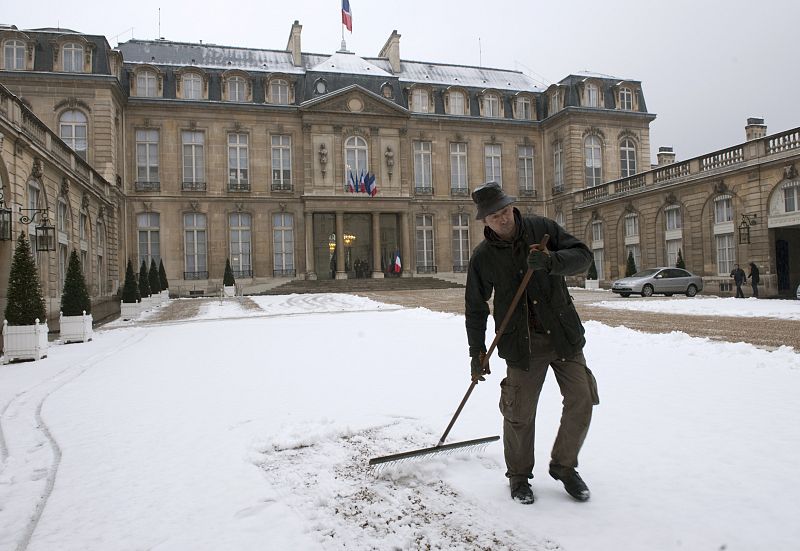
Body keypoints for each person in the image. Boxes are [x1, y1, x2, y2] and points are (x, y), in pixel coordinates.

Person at [465, 182, 599, 505]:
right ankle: (519, 476)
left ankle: (564, 467)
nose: (502, 219)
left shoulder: (543, 230)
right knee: (519, 413)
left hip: (562, 335)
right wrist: (476, 350)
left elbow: (583, 257)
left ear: (511, 206)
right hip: (521, 345)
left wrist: (552, 262)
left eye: (504, 211)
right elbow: (475, 306)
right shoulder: (483, 258)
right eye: (494, 216)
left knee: (581, 397)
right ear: (485, 221)